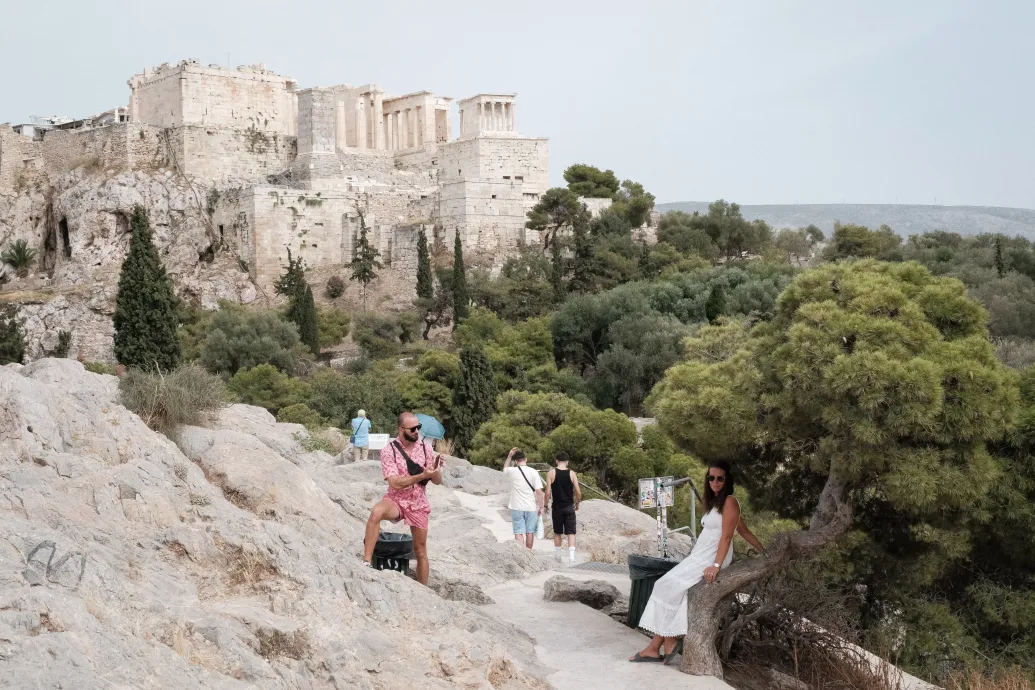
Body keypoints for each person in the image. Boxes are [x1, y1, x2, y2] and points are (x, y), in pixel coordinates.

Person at [629, 460, 766, 663]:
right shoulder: (716, 503)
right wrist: (764, 550)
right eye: (711, 478)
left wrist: (716, 565)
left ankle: (668, 642)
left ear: (727, 480)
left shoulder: (730, 502)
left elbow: (727, 536)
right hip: (699, 556)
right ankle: (659, 645)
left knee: (664, 584)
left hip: (710, 557)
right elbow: (743, 530)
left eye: (720, 478)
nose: (715, 482)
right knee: (669, 587)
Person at [362, 412, 443, 585]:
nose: (417, 432)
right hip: (396, 499)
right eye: (413, 429)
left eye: (418, 428)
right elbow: (395, 483)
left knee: (420, 550)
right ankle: (366, 562)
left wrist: (436, 470)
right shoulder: (388, 451)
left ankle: (423, 590)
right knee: (376, 512)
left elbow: (436, 481)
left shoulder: (425, 449)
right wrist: (421, 475)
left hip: (418, 502)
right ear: (401, 429)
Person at [503, 448, 544, 549]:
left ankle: (521, 554)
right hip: (530, 506)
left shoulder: (512, 471)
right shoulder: (534, 472)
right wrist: (541, 506)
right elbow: (539, 492)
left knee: (518, 532)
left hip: (516, 506)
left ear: (516, 462)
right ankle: (529, 553)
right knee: (530, 532)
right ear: (526, 459)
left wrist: (509, 456)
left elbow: (505, 468)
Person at [545, 452, 581, 564]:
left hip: (557, 507)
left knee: (557, 532)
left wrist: (545, 505)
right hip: (569, 506)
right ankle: (571, 558)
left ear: (556, 461)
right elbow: (578, 492)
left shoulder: (551, 473)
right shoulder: (572, 473)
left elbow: (547, 492)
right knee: (571, 532)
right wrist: (577, 503)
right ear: (567, 462)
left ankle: (558, 556)